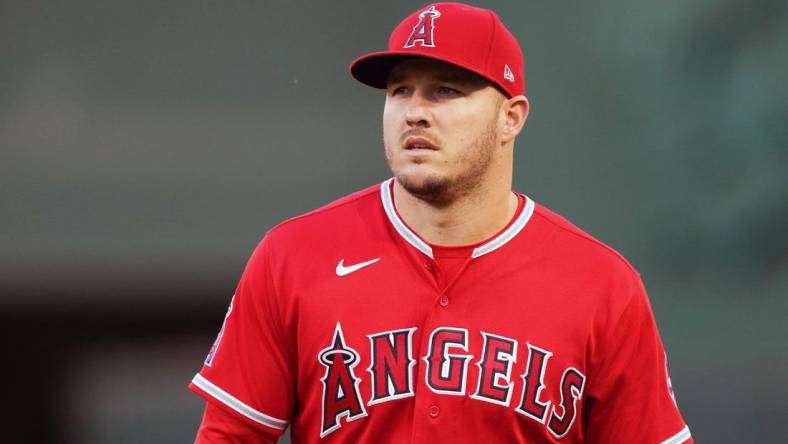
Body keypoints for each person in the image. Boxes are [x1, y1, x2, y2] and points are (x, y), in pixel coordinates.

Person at [188, 3, 693, 443]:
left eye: (446, 91)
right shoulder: (293, 256)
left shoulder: (602, 286)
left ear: (511, 117)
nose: (414, 112)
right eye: (400, 90)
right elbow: (230, 435)